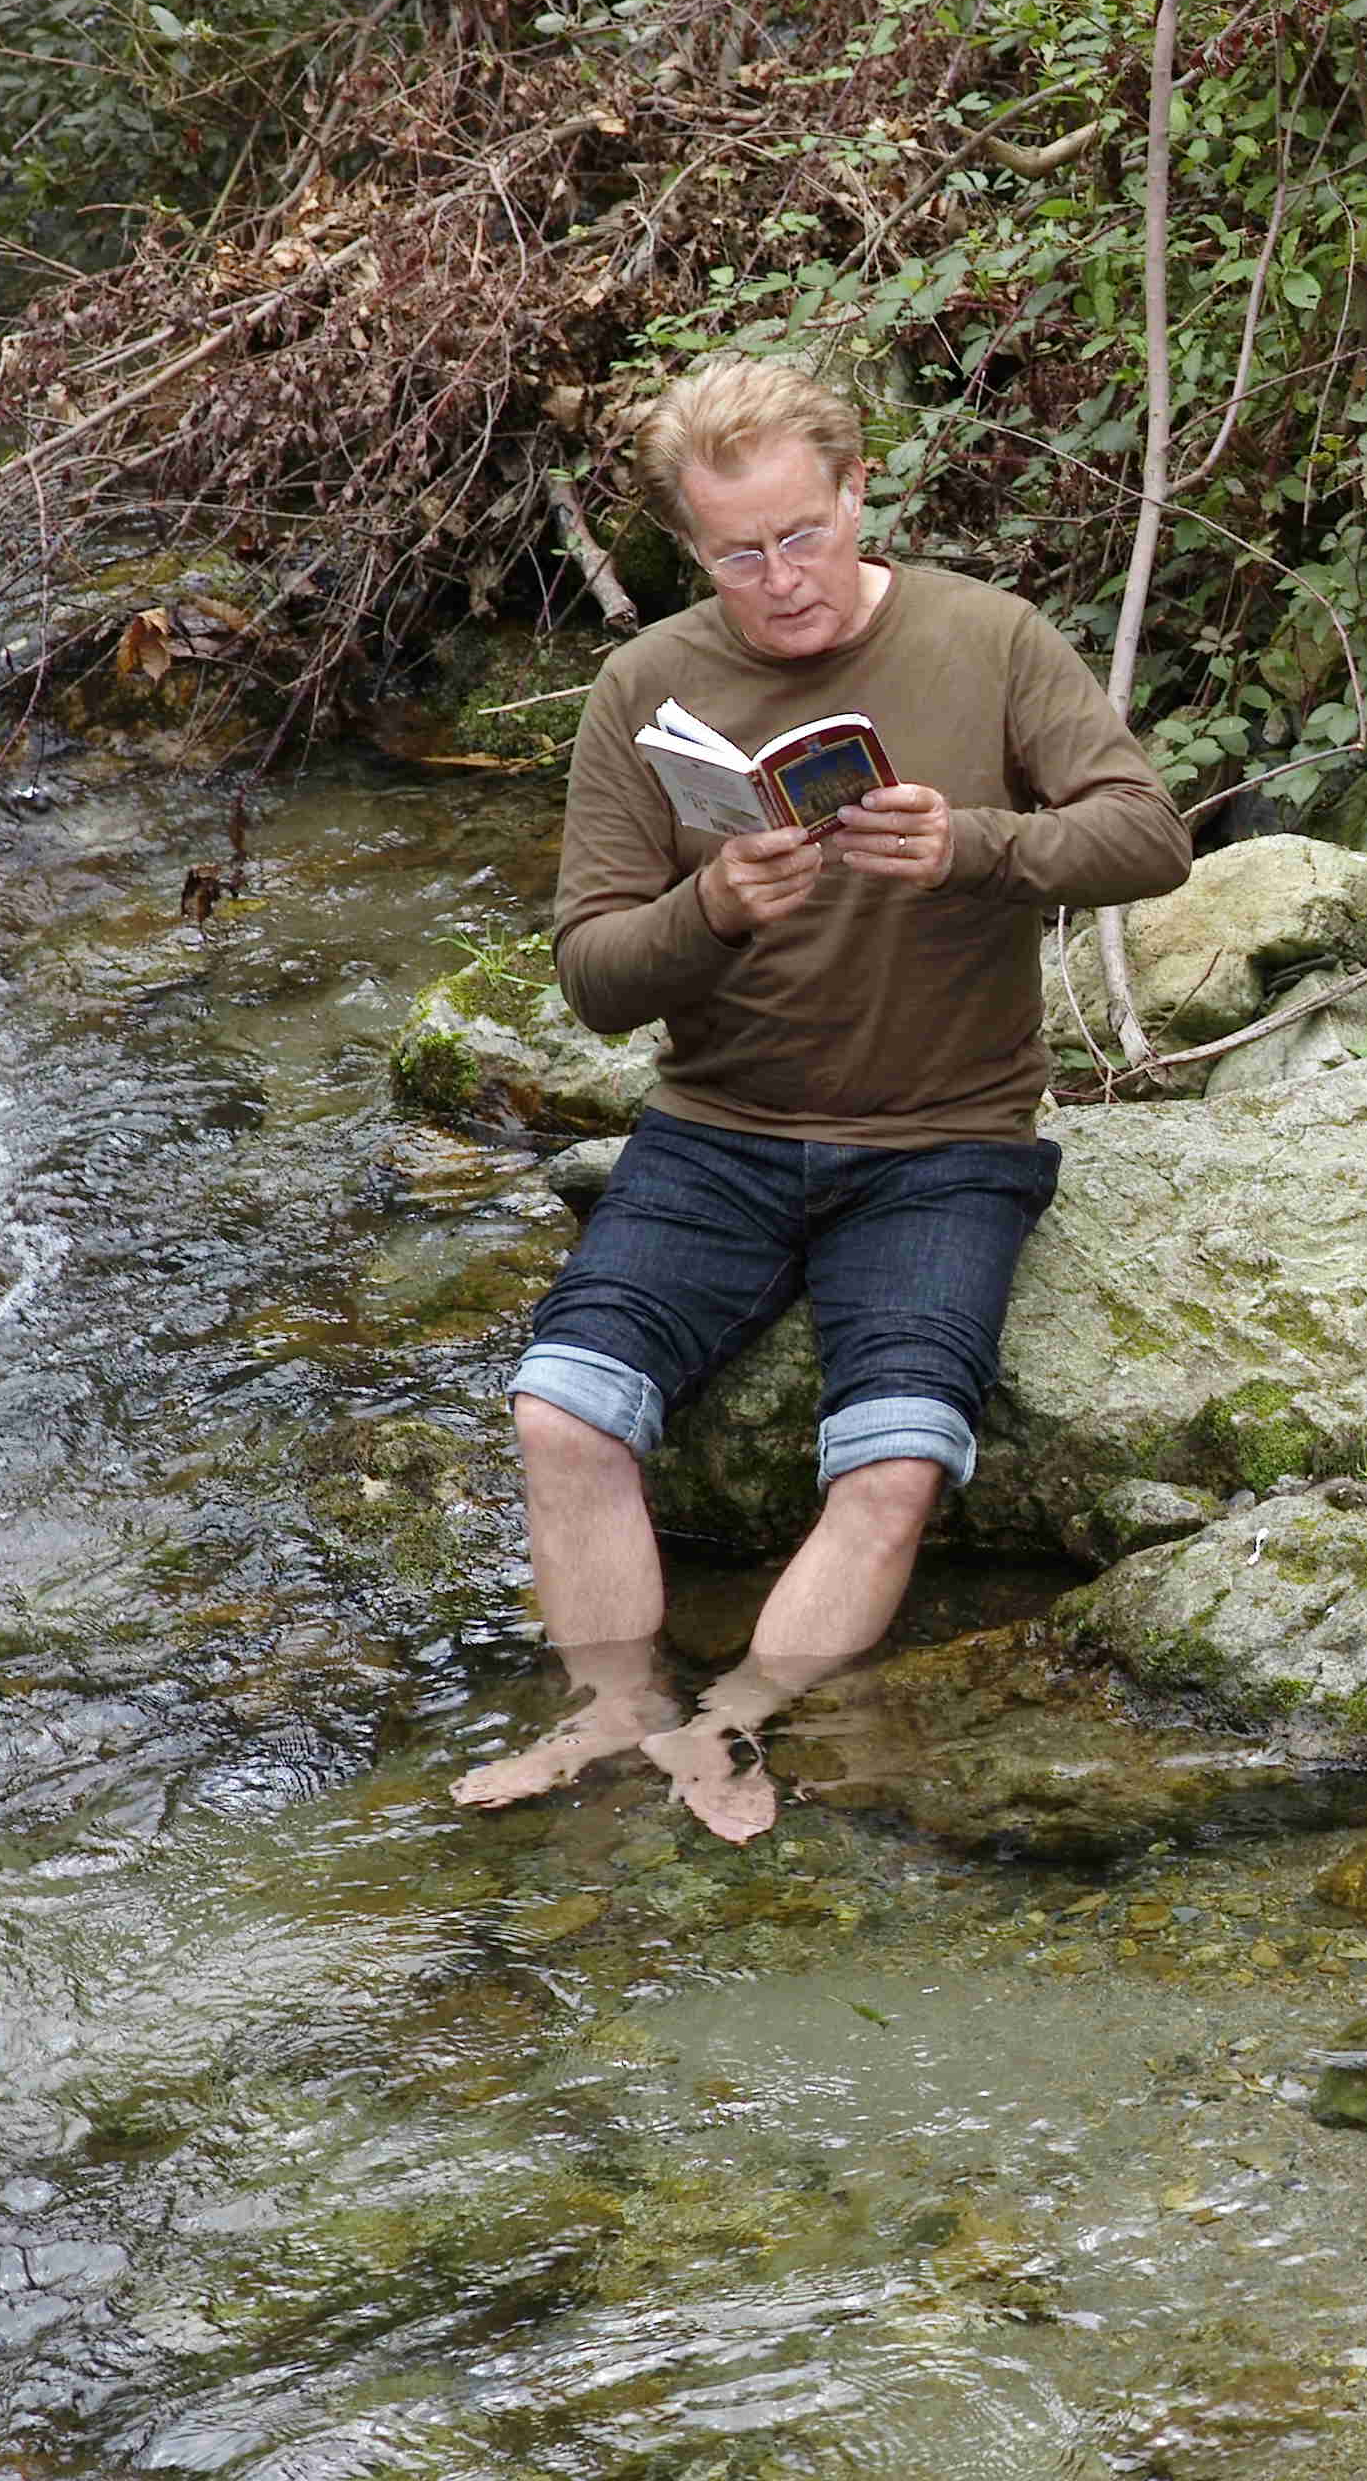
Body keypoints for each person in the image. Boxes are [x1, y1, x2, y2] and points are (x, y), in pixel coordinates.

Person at [453, 354, 1191, 1839]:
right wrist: (715, 904)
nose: (781, 580)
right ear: (690, 547)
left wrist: (977, 846)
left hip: (945, 1143)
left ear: (859, 493)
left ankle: (733, 1724)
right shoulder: (647, 686)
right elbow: (596, 976)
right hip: (716, 1132)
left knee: (898, 1458)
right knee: (559, 1417)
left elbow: (1148, 838)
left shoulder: (986, 640)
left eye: (804, 533)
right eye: (738, 552)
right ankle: (613, 1706)